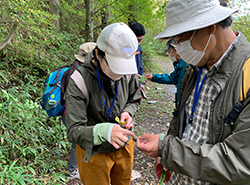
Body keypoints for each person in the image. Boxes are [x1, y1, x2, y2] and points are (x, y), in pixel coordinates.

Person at [136, 0, 250, 184]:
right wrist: (166, 152)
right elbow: (182, 115)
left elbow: (241, 162)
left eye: (181, 39)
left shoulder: (246, 74)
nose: (178, 47)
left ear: (210, 27)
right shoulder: (196, 67)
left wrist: (167, 149)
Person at [65, 22, 141, 185]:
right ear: (98, 54)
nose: (119, 73)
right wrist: (103, 132)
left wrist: (128, 112)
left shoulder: (128, 72)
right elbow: (73, 130)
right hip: (94, 151)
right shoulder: (79, 81)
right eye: (115, 66)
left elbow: (134, 98)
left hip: (124, 145)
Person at [62, 42, 97, 180]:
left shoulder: (70, 70)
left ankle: (77, 166)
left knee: (77, 141)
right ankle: (72, 171)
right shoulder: (81, 74)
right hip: (75, 113)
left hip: (66, 113)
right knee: (77, 141)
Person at [145, 38, 189, 108]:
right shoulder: (180, 64)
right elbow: (172, 78)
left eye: (169, 51)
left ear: (175, 50)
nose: (169, 54)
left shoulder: (187, 65)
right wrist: (153, 77)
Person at [129, 22, 146, 97]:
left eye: (140, 40)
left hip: (135, 82)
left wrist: (140, 83)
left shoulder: (139, 48)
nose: (138, 42)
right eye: (137, 40)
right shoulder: (124, 48)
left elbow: (140, 68)